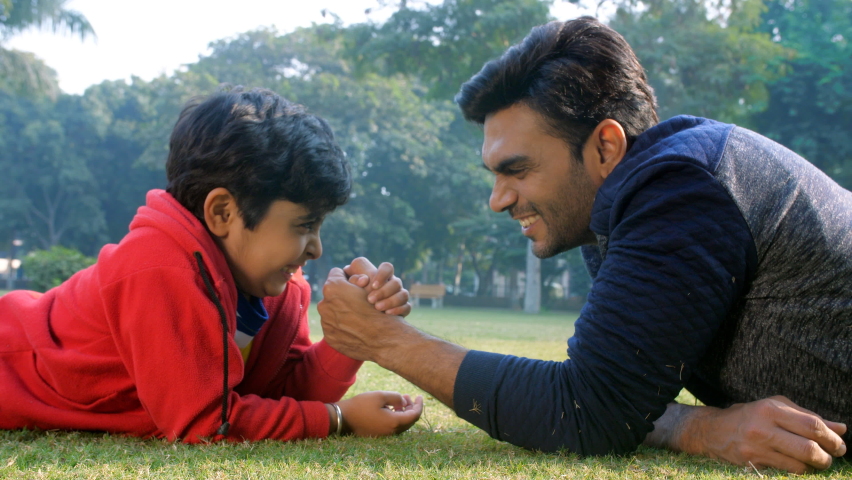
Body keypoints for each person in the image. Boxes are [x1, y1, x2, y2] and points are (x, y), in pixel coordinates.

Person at [317, 17, 851, 474]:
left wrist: (386, 339)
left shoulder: (678, 187)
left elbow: (586, 410)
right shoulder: (625, 207)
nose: (497, 200)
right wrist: (700, 427)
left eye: (518, 170)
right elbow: (618, 397)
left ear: (606, 146)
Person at [0, 86, 423, 442]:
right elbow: (206, 422)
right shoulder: (158, 266)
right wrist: (338, 419)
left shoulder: (278, 286)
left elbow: (281, 389)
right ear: (222, 212)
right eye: (305, 225)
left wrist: (351, 337)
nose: (316, 248)